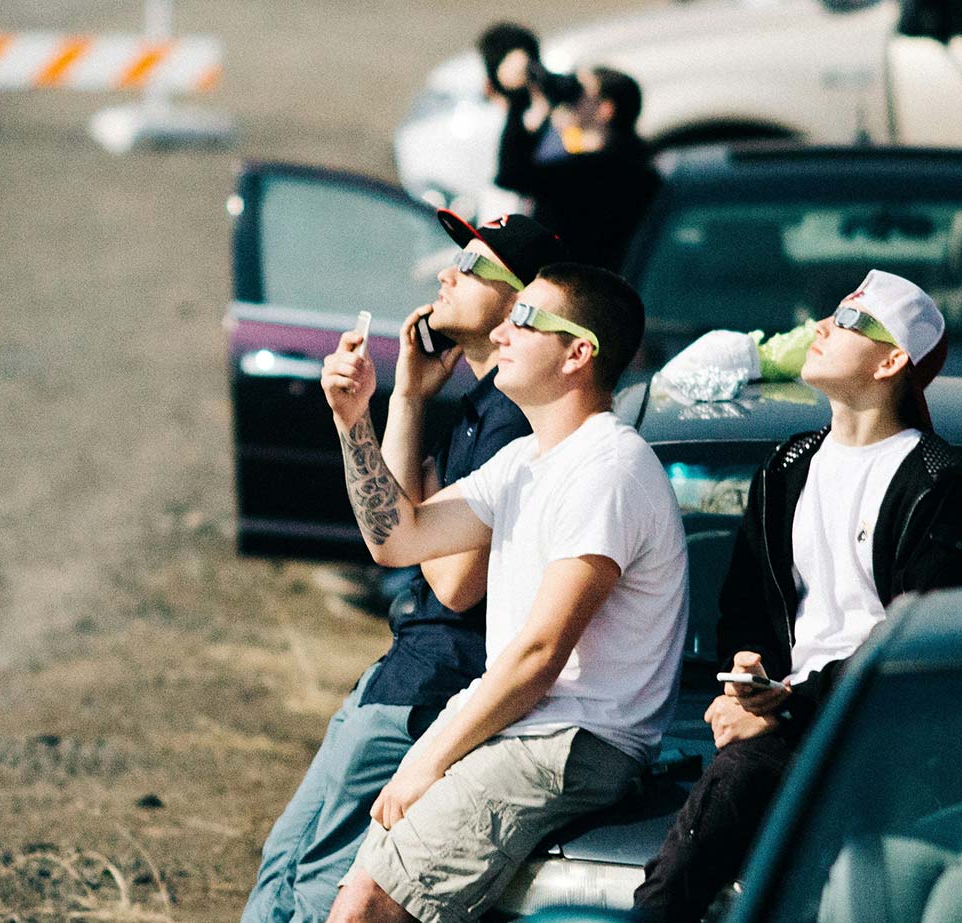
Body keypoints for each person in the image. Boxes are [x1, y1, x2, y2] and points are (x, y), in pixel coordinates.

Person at [632, 270, 962, 922]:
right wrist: (741, 678)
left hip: (892, 733)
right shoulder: (785, 465)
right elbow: (744, 606)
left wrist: (784, 708)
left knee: (733, 798)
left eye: (851, 322)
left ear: (892, 360)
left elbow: (914, 638)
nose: (824, 327)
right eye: (831, 314)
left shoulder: (943, 488)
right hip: (784, 718)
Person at [320, 263, 689, 923]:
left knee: (367, 908)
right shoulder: (524, 461)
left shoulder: (608, 467)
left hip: (571, 737)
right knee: (358, 898)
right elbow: (396, 539)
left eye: (527, 318)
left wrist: (425, 758)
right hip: (523, 724)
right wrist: (353, 420)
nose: (504, 328)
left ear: (578, 353)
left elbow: (538, 653)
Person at [240, 210, 567, 923]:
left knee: (315, 888)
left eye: (477, 266)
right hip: (399, 672)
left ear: (521, 306)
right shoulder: (480, 404)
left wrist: (355, 418)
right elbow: (392, 530)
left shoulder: (516, 418)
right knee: (283, 868)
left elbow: (450, 580)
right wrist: (410, 395)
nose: (447, 273)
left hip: (429, 685)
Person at [491, 50, 661, 271]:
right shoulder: (636, 162)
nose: (571, 99)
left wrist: (517, 100)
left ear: (606, 109)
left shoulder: (600, 172)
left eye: (580, 92)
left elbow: (512, 174)